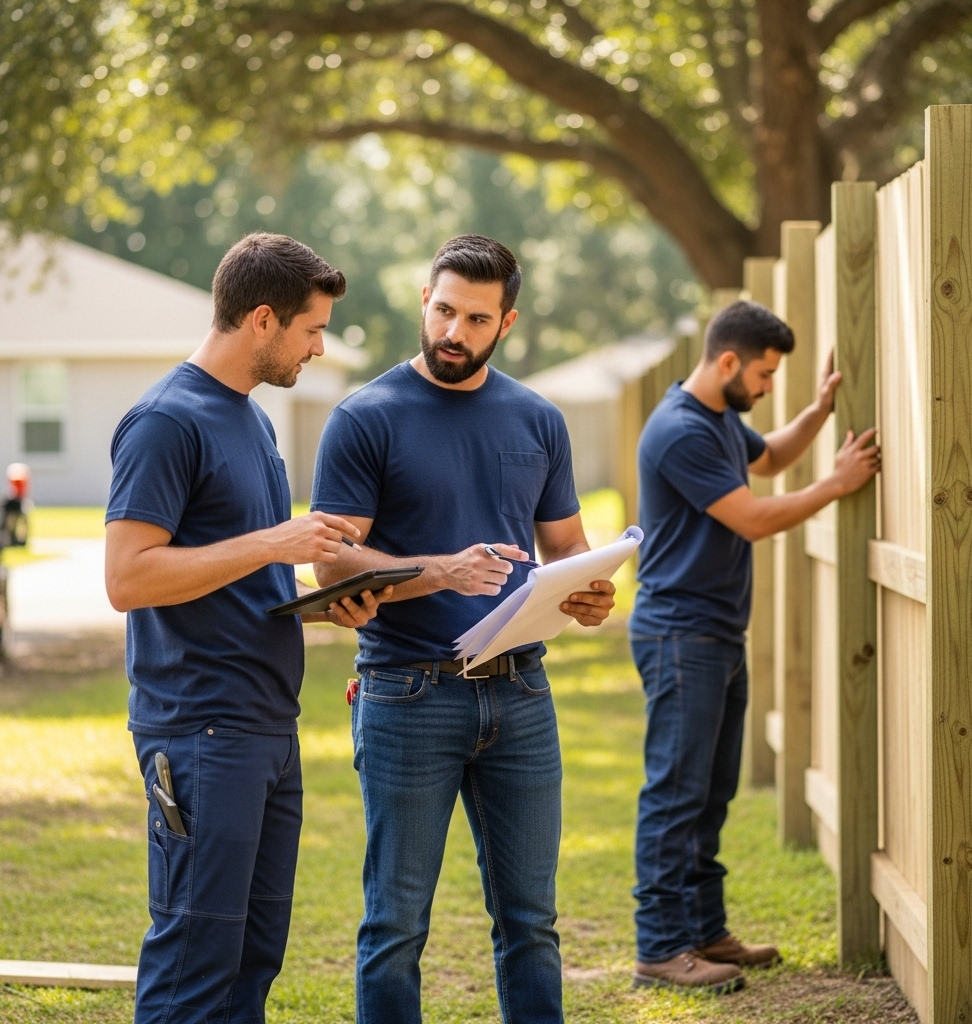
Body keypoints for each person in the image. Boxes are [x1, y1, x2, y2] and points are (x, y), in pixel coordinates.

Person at [310, 234, 616, 1024]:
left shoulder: (538, 419)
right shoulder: (365, 416)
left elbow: (568, 549)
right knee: (395, 926)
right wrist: (441, 571)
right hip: (407, 694)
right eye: (444, 310)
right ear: (423, 299)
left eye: (476, 319)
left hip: (521, 695)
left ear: (505, 323)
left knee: (531, 924)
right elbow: (331, 560)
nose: (454, 332)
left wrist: (590, 592)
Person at [104, 233, 389, 1024]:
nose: (319, 346)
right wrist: (276, 542)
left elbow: (232, 568)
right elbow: (127, 578)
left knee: (253, 956)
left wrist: (326, 600)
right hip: (199, 729)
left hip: (267, 726)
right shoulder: (165, 421)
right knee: (197, 955)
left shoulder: (252, 422)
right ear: (263, 319)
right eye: (310, 329)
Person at [629, 301, 880, 993]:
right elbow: (753, 517)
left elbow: (770, 458)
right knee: (677, 793)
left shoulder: (718, 421)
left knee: (712, 791)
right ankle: (660, 947)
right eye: (766, 375)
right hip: (681, 633)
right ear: (729, 361)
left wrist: (822, 412)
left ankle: (705, 931)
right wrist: (836, 484)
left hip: (711, 631)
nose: (770, 387)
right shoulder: (681, 430)